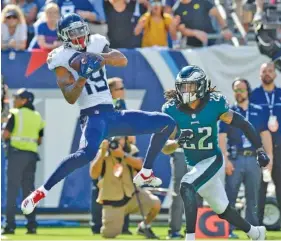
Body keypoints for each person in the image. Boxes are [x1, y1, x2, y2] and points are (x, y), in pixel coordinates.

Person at [21, 13, 176, 215]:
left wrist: (96, 58)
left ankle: (145, 172)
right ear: (64, 37)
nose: (79, 36)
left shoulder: (96, 42)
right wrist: (82, 77)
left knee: (167, 123)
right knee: (86, 154)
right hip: (92, 116)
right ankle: (41, 192)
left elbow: (122, 60)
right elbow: (70, 97)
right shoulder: (60, 57)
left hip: (112, 115)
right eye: (73, 33)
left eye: (80, 30)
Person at [161, 65, 269, 240]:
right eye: (183, 86)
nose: (186, 90)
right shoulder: (172, 109)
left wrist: (259, 149)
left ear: (201, 86)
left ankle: (190, 237)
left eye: (191, 86)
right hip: (194, 165)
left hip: (212, 159)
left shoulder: (214, 103)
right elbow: (165, 148)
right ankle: (255, 233)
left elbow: (243, 124)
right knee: (222, 209)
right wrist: (178, 141)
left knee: (186, 185)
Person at [219, 78, 273, 239]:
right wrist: (225, 160)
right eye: (236, 89)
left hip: (254, 159)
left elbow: (265, 135)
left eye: (241, 89)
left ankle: (254, 231)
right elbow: (221, 137)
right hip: (235, 159)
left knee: (253, 197)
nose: (239, 92)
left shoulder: (259, 110)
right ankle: (227, 230)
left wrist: (269, 157)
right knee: (230, 196)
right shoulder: (228, 112)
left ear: (247, 91)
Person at [90, 136, 160, 239]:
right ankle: (114, 220)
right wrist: (102, 153)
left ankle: (144, 226)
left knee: (155, 203)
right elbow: (94, 174)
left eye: (120, 139)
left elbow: (141, 166)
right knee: (109, 234)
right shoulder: (102, 152)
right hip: (113, 202)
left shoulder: (131, 149)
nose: (117, 142)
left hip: (132, 196)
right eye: (114, 140)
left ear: (125, 139)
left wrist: (123, 155)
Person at [2, 89, 45, 235]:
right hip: (31, 157)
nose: (14, 99)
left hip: (16, 155)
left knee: (12, 191)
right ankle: (32, 225)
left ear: (25, 100)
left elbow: (5, 135)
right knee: (29, 192)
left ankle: (10, 225)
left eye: (17, 97)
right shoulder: (37, 116)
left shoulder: (14, 114)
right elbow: (39, 140)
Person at [250, 62, 281, 226]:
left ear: (275, 74)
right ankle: (258, 227)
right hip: (260, 149)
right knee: (259, 189)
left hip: (280, 148)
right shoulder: (253, 95)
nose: (267, 74)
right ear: (260, 75)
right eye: (264, 71)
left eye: (270, 71)